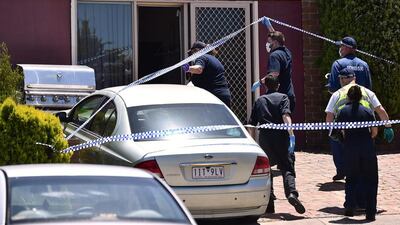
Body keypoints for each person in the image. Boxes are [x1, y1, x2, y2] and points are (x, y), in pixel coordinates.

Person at [247, 74, 305, 214]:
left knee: (267, 170)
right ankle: (291, 193)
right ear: (278, 85)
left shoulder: (259, 100)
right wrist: (291, 134)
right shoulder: (283, 97)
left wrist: (251, 142)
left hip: (265, 137)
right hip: (281, 137)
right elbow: (286, 115)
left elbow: (251, 124)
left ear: (266, 86)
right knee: (287, 166)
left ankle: (269, 202)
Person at [325, 68, 394, 181]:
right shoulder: (367, 92)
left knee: (350, 165)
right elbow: (380, 110)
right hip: (366, 134)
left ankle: (349, 182)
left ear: (342, 79)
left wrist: (332, 133)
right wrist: (388, 127)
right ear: (354, 78)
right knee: (367, 165)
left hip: (346, 136)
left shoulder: (337, 94)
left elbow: (329, 115)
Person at [336, 85, 378, 221]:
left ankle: (349, 206)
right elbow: (374, 131)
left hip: (350, 147)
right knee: (370, 179)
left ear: (348, 97)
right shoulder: (367, 111)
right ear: (361, 97)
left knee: (351, 178)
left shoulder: (343, 112)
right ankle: (370, 212)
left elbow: (339, 130)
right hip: (366, 147)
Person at [182, 41, 231, 107]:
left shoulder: (202, 57)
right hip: (223, 95)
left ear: (197, 50)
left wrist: (186, 67)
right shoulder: (214, 59)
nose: (192, 55)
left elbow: (198, 69)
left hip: (213, 96)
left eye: (192, 53)